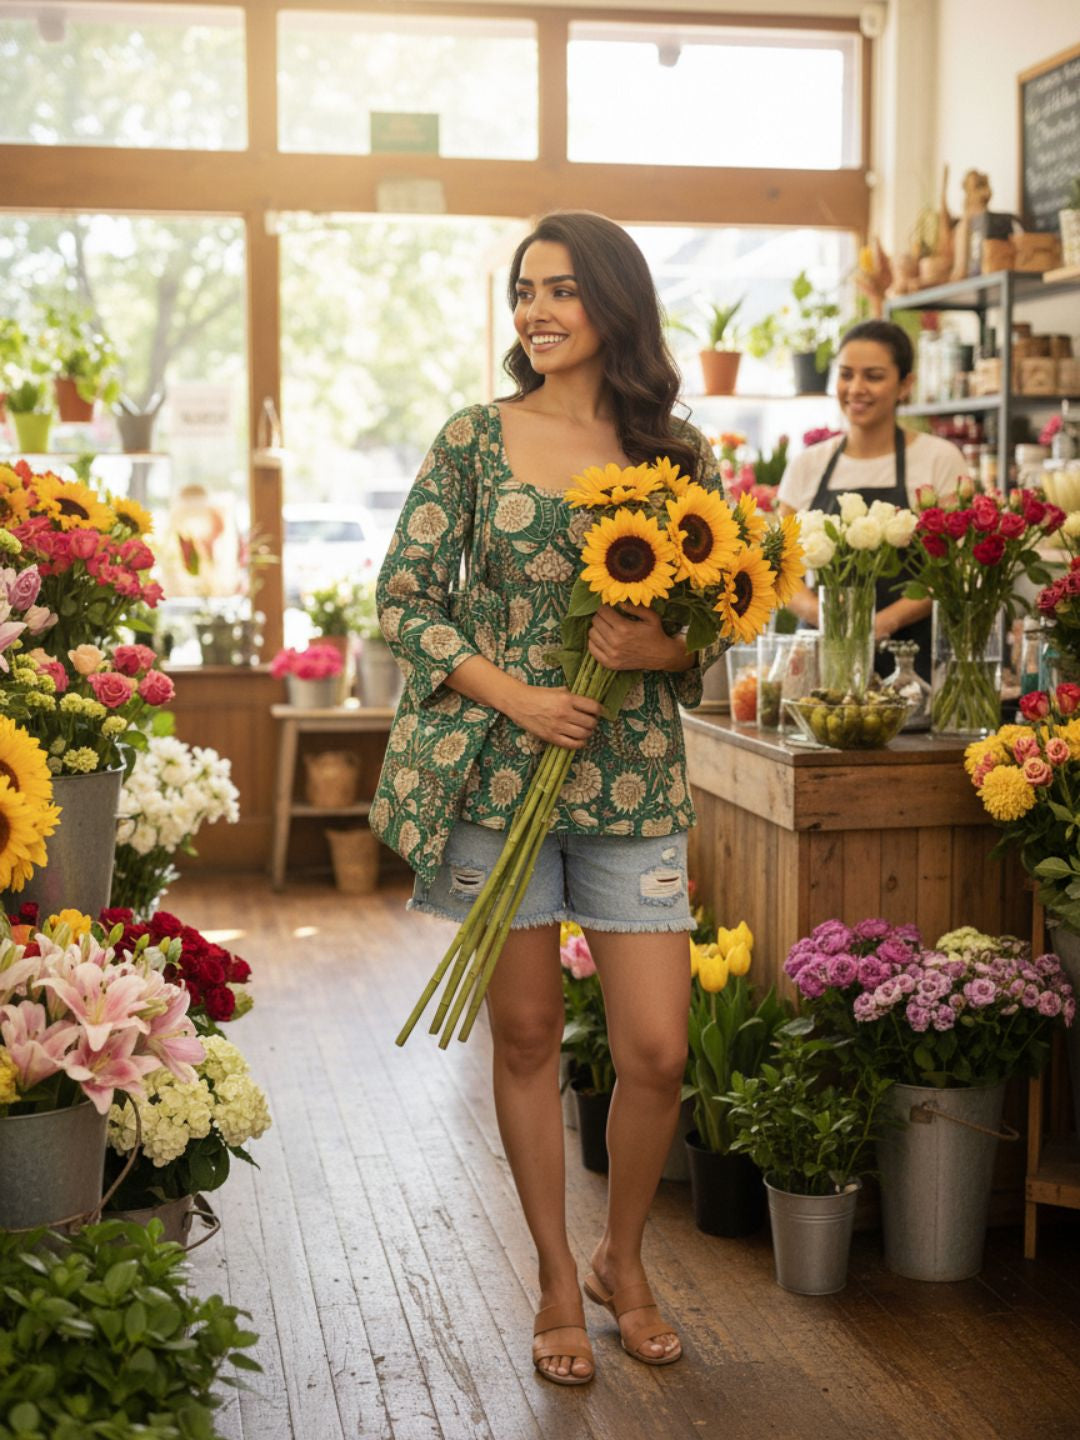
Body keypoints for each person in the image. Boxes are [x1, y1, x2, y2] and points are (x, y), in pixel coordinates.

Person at [373, 211, 726, 1386]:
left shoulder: (679, 459)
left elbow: (713, 629)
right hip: (497, 779)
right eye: (526, 290)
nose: (536, 309)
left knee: (657, 1051)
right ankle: (554, 1277)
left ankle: (623, 1257)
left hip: (636, 786)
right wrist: (517, 696)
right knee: (525, 1036)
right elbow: (405, 598)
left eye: (563, 289)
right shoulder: (474, 439)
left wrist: (659, 650)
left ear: (615, 302)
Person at [776, 319, 968, 676]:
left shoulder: (939, 459)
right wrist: (825, 616)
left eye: (874, 376)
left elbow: (949, 569)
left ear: (905, 385)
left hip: (910, 660)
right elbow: (781, 568)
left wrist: (882, 623)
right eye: (846, 375)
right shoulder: (807, 464)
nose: (856, 388)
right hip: (824, 654)